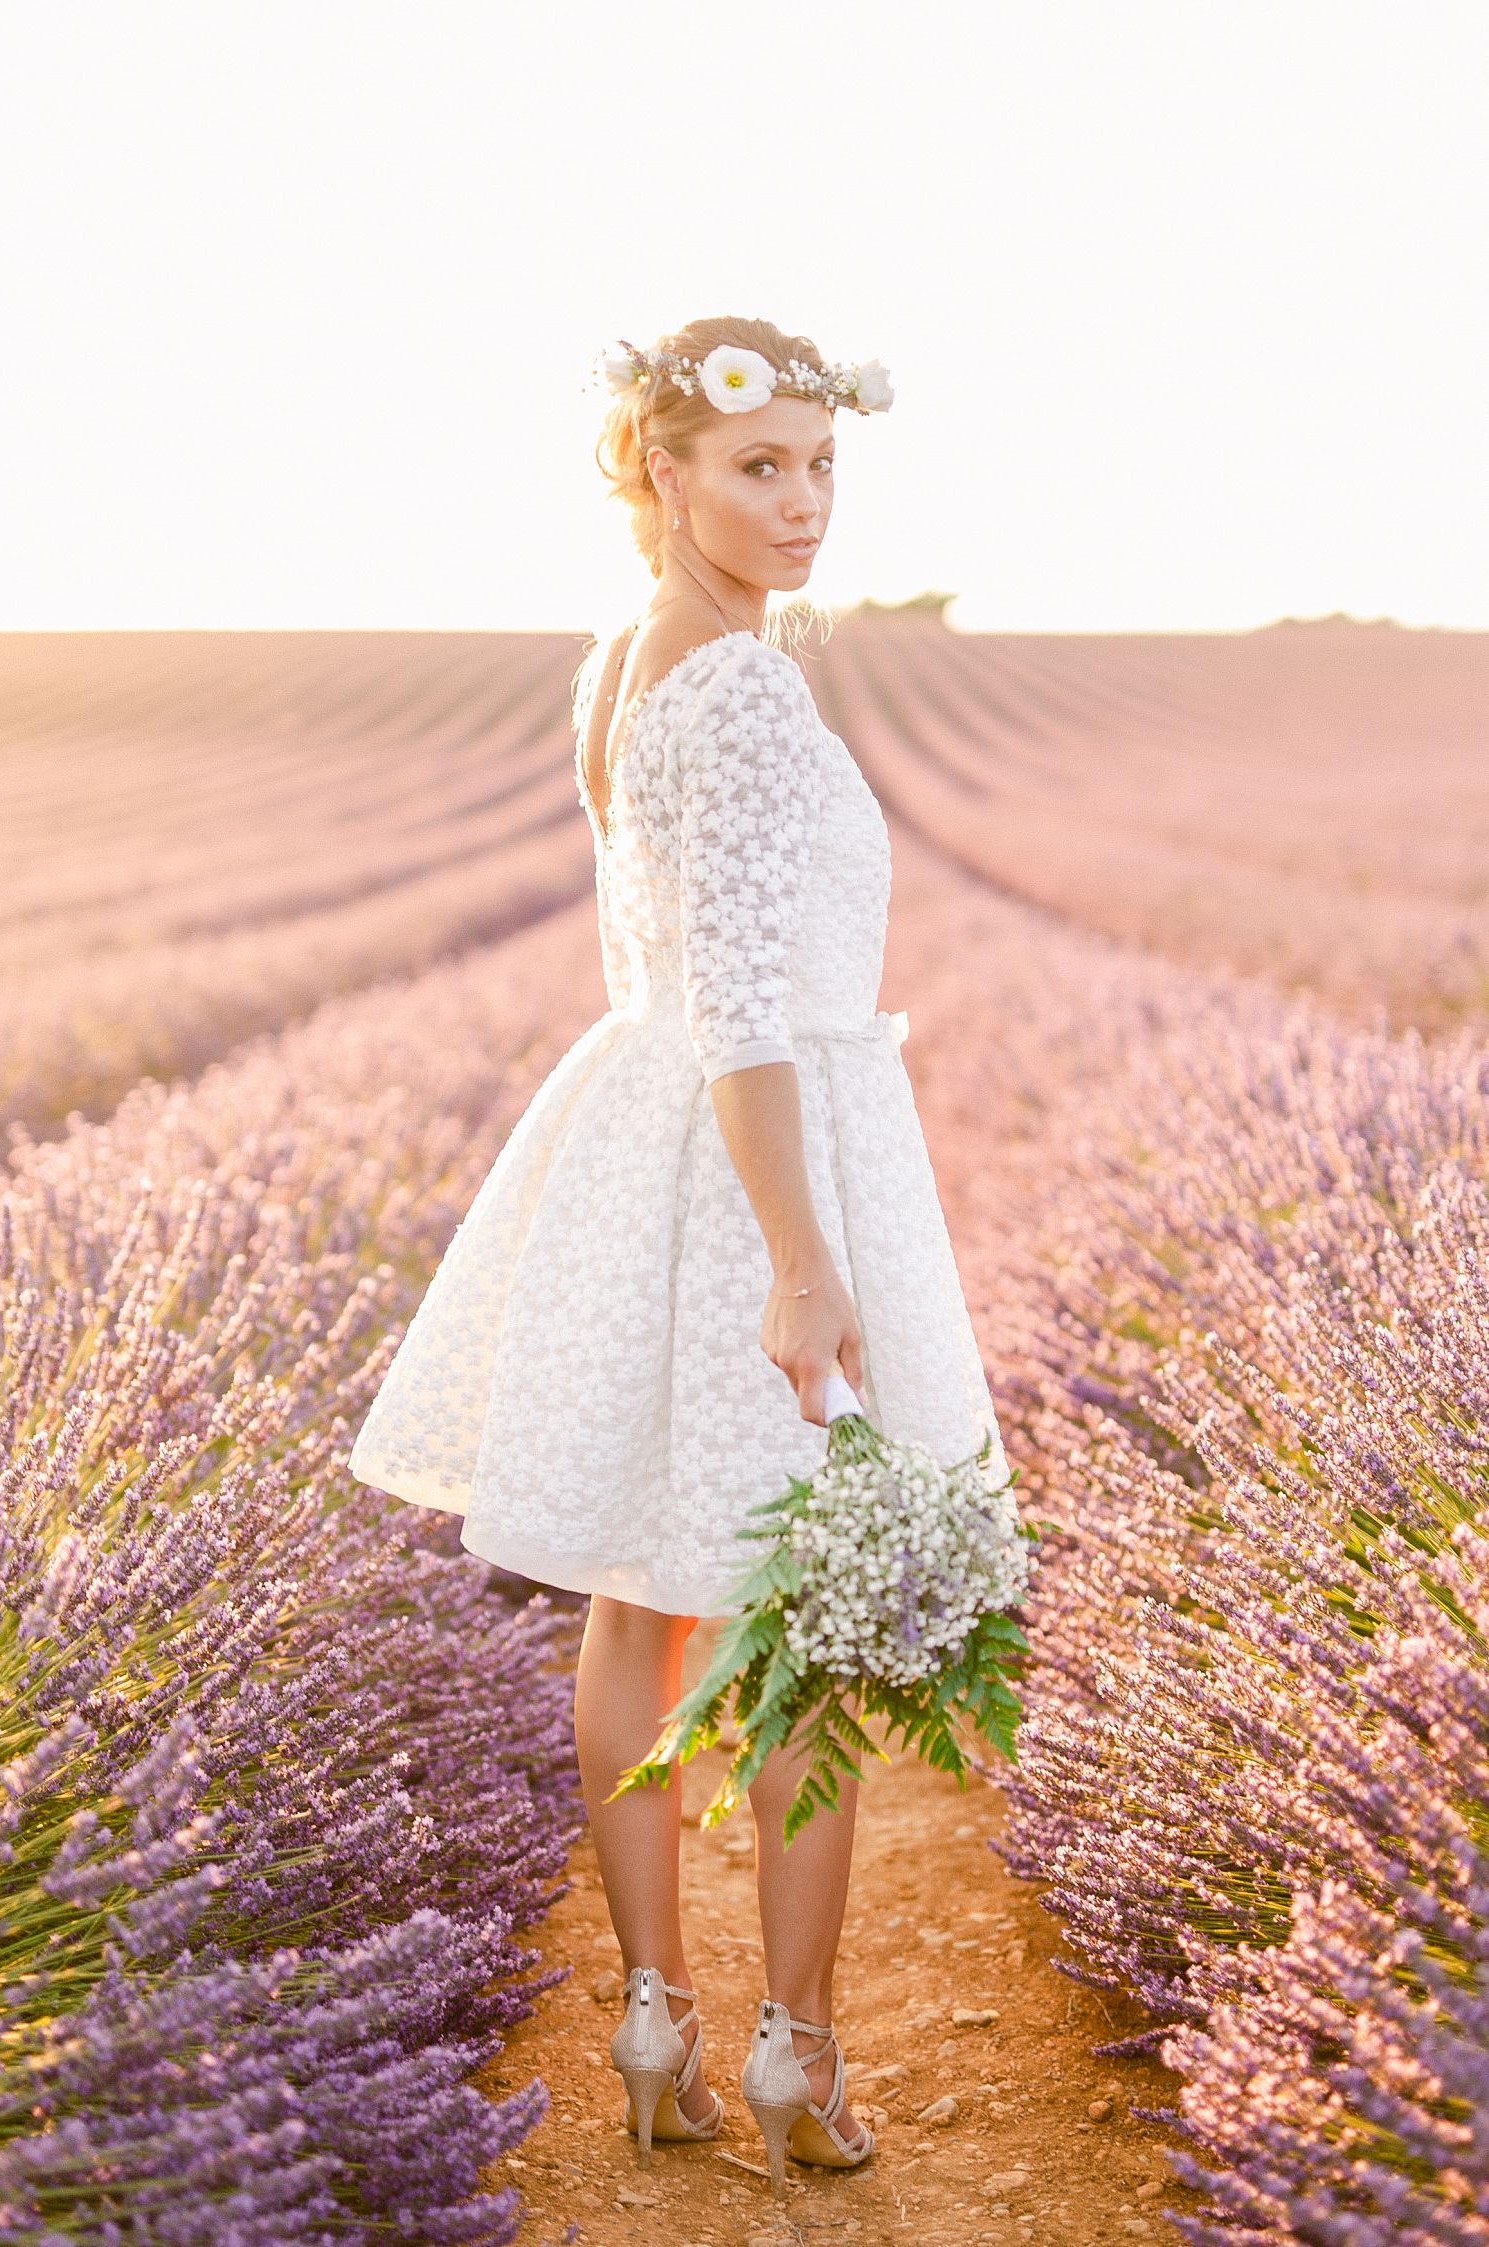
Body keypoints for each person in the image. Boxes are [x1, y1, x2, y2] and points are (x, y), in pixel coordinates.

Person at [347, 313, 1011, 2189]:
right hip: (752, 1163)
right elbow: (736, 1003)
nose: (801, 505)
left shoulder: (633, 659)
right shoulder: (731, 689)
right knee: (798, 1625)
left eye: (820, 466)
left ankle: (654, 2018)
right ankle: (798, 2049)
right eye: (758, 467)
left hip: (650, 1150)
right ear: (660, 472)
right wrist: (803, 1262)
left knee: (641, 1599)